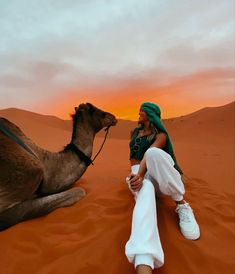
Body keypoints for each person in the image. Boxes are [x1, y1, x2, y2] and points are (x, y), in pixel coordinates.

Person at [125, 102, 200, 274]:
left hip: (150, 171)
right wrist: (137, 176)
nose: (139, 111)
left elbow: (148, 155)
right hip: (137, 172)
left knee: (152, 154)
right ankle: (144, 260)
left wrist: (141, 175)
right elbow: (133, 159)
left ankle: (181, 205)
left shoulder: (161, 136)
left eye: (143, 110)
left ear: (151, 115)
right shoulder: (135, 132)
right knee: (147, 189)